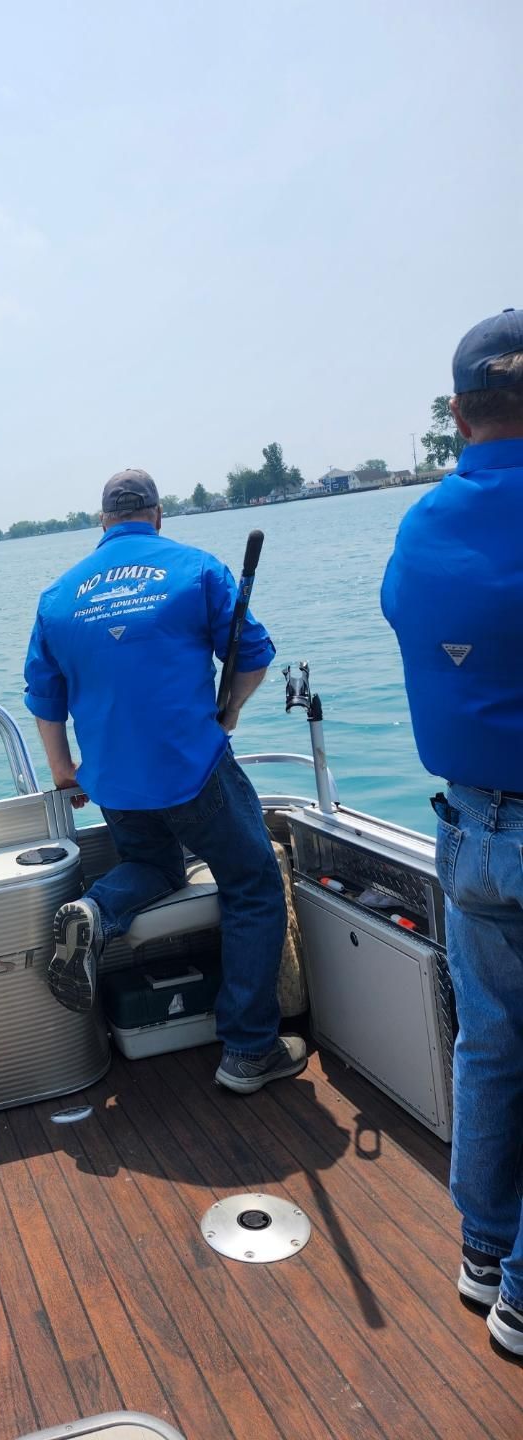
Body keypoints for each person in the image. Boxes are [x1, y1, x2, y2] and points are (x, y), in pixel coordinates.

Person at [23, 467, 306, 1094]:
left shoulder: (57, 597)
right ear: (157, 515)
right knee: (253, 881)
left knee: (155, 868)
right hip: (193, 771)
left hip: (112, 783)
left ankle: (95, 910)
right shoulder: (197, 569)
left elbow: (43, 697)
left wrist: (63, 770)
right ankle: (249, 1051)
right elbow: (255, 656)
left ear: (102, 521)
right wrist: (228, 711)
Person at [381, 307, 523, 1359]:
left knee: (493, 1046)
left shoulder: (421, 524)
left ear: (458, 411)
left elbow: (412, 623)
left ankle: (484, 1252)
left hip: (469, 830)